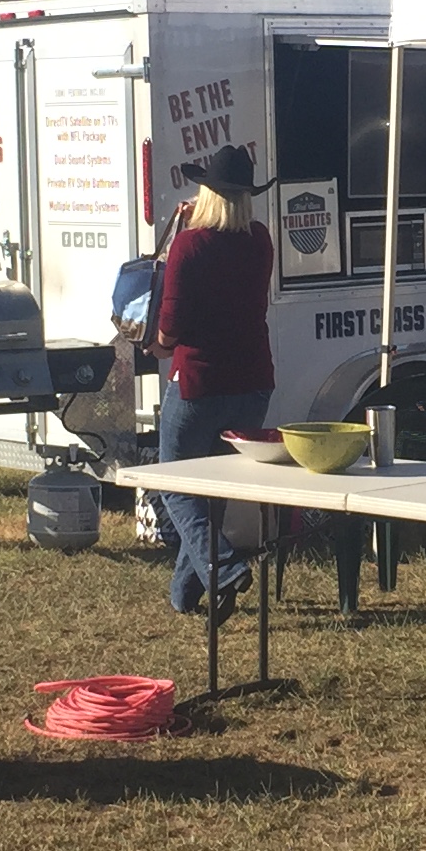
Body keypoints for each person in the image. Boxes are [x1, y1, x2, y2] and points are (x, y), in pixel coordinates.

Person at [151, 142, 276, 613]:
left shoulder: (189, 244)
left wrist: (160, 345)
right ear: (246, 197)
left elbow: (170, 323)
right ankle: (187, 595)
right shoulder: (259, 239)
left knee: (175, 483)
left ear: (206, 193)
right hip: (253, 381)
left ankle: (223, 566)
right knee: (213, 491)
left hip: (198, 381)